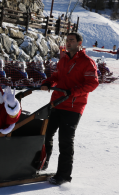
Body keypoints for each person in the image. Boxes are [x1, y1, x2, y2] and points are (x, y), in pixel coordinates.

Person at [41, 32, 99, 185]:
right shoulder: (63, 60)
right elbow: (56, 76)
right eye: (67, 40)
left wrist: (72, 92)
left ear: (79, 43)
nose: (68, 43)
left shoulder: (87, 62)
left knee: (65, 140)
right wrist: (48, 83)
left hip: (73, 106)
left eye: (71, 40)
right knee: (45, 134)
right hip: (57, 103)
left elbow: (92, 84)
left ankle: (64, 175)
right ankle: (43, 164)